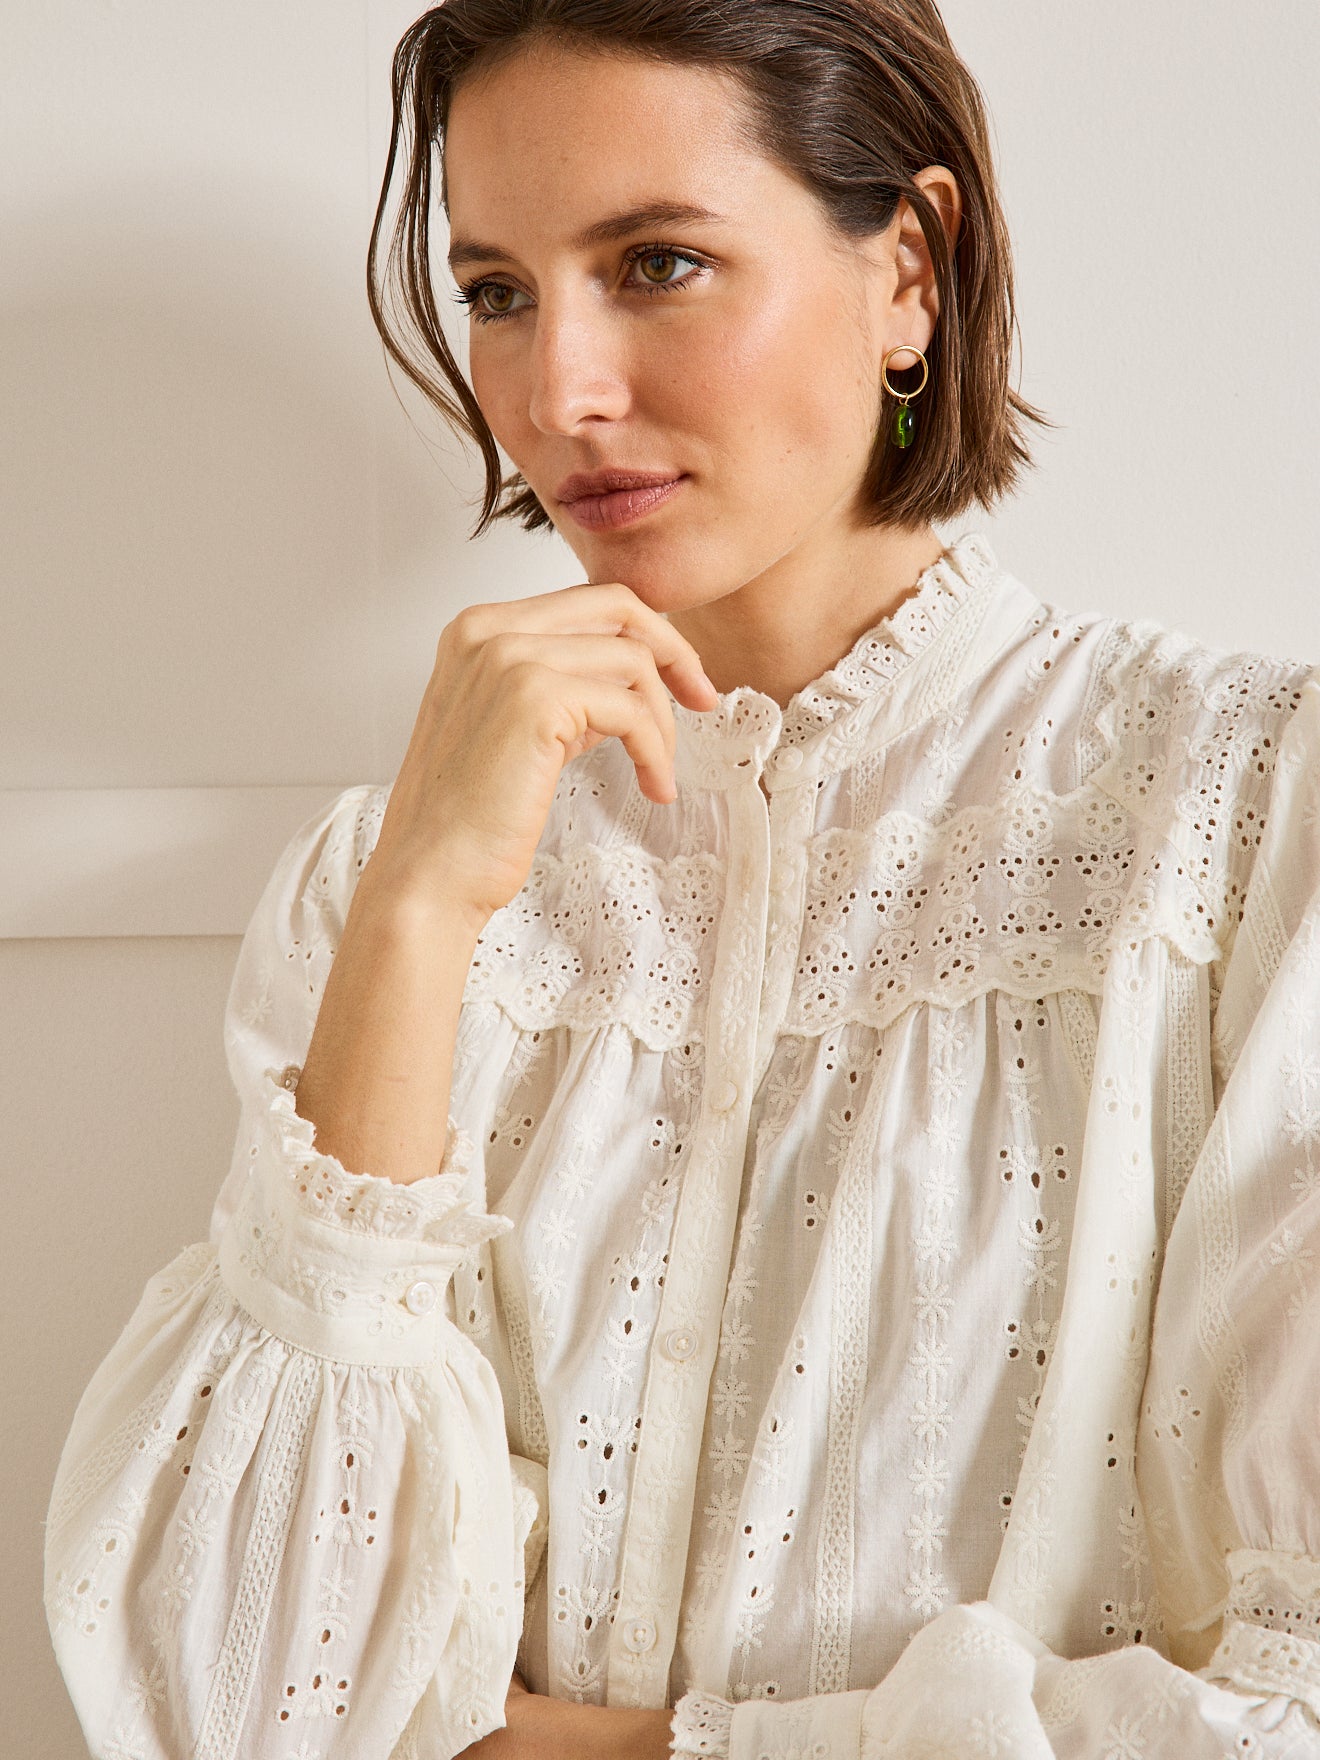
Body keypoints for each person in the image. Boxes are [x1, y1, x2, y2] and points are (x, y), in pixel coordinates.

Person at [43, 1, 1320, 1755]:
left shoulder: (1248, 821)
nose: (557, 393)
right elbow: (249, 1703)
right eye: (498, 291)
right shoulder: (388, 889)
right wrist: (421, 907)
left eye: (657, 264)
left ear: (912, 269)